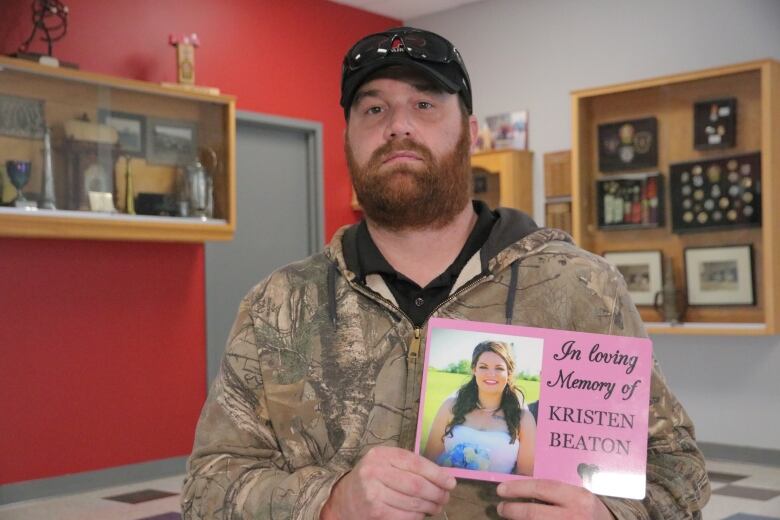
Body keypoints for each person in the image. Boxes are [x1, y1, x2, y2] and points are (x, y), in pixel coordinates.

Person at [182, 26, 710, 519]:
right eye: (373, 109)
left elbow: (677, 471)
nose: (398, 125)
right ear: (349, 139)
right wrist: (329, 501)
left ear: (471, 133)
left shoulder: (582, 288)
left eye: (425, 104)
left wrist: (608, 514)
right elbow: (207, 487)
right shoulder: (278, 304)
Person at [423, 340, 536, 476]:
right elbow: (428, 462)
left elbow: (525, 477)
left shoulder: (523, 419)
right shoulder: (450, 407)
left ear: (509, 373)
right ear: (474, 369)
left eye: (499, 368)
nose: (491, 374)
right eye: (483, 367)